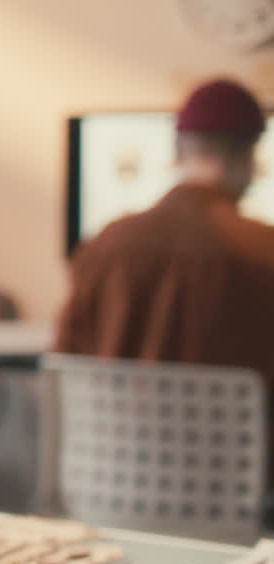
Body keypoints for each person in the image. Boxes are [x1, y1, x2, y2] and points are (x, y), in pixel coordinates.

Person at [55, 78, 274, 387]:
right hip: (231, 435)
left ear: (178, 148)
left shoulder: (104, 245)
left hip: (114, 435)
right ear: (249, 156)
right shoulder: (264, 250)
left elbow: (65, 362)